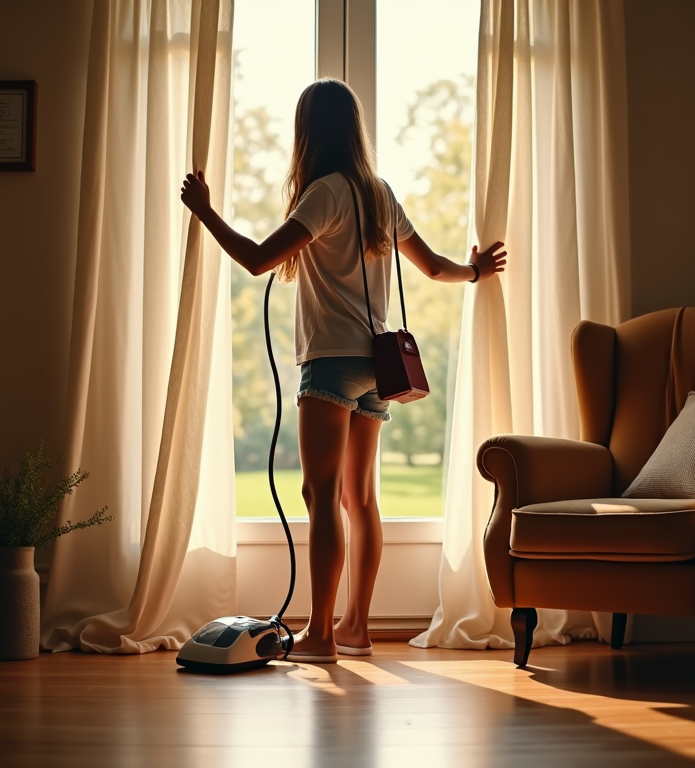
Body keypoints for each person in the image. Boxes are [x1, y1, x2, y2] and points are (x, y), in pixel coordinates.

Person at [180, 78, 506, 663]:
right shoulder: (379, 193)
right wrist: (476, 272)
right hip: (378, 367)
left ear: (310, 133)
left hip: (330, 362)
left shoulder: (325, 193)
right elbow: (432, 268)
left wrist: (205, 212)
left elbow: (258, 260)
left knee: (321, 494)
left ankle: (322, 636)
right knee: (362, 499)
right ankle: (357, 627)